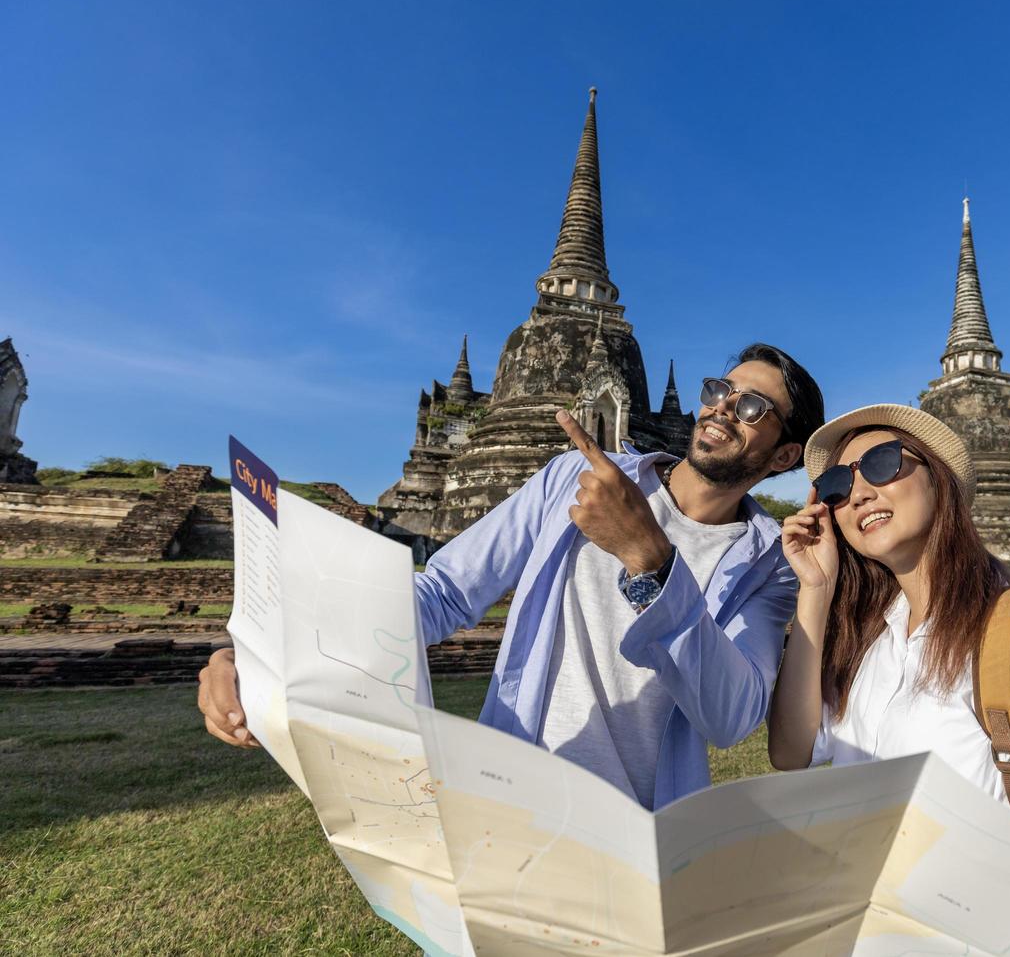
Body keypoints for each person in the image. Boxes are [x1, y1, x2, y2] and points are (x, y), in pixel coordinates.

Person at [199, 342, 824, 810]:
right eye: (721, 388)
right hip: (509, 793)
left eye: (752, 406)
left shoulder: (768, 564)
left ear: (784, 456)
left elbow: (733, 717)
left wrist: (653, 560)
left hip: (643, 826)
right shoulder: (570, 480)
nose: (721, 407)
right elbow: (442, 594)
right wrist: (263, 651)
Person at [767, 404, 1010, 843]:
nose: (857, 494)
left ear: (938, 478)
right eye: (836, 485)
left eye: (882, 464)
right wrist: (816, 590)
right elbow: (789, 752)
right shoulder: (873, 640)